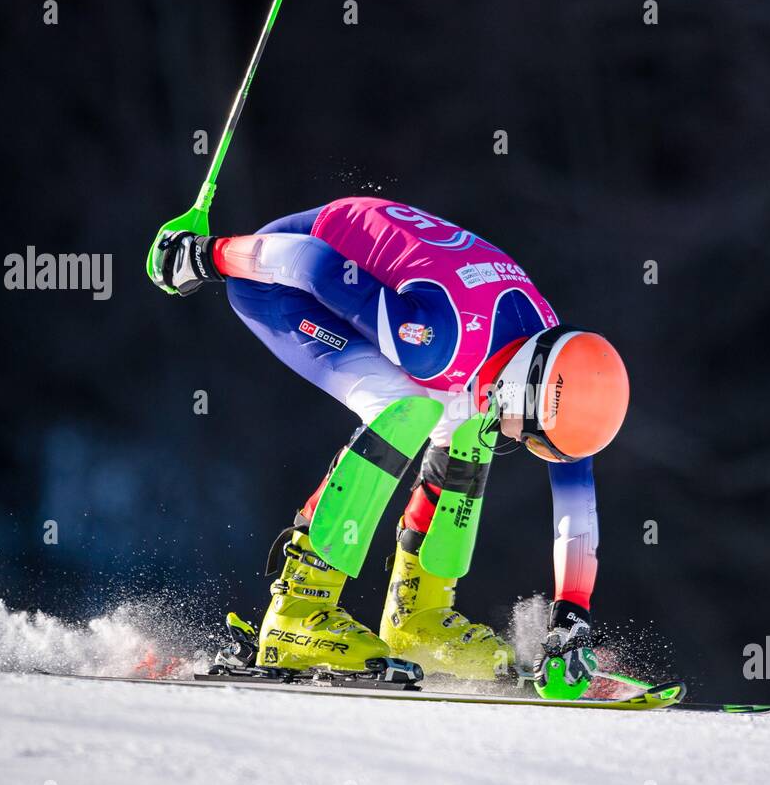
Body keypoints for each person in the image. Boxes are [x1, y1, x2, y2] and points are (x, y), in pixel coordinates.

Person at [152, 197, 628, 698]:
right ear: (523, 388)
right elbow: (311, 265)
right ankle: (298, 612)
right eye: (527, 434)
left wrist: (572, 616)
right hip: (280, 277)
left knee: (470, 429)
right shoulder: (434, 340)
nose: (520, 442)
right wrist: (205, 255)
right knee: (401, 407)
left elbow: (576, 502)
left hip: (396, 292)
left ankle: (418, 618)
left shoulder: (556, 360)